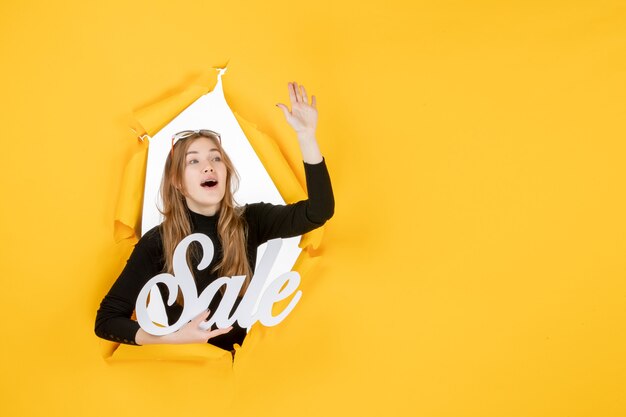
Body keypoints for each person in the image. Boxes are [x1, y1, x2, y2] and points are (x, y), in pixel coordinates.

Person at [95, 82, 334, 354]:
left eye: (216, 158)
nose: (208, 165)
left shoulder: (251, 220)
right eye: (193, 161)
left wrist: (306, 137)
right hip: (192, 376)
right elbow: (107, 320)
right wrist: (172, 338)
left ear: (225, 172)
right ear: (178, 182)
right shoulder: (157, 241)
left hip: (243, 370)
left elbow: (318, 212)